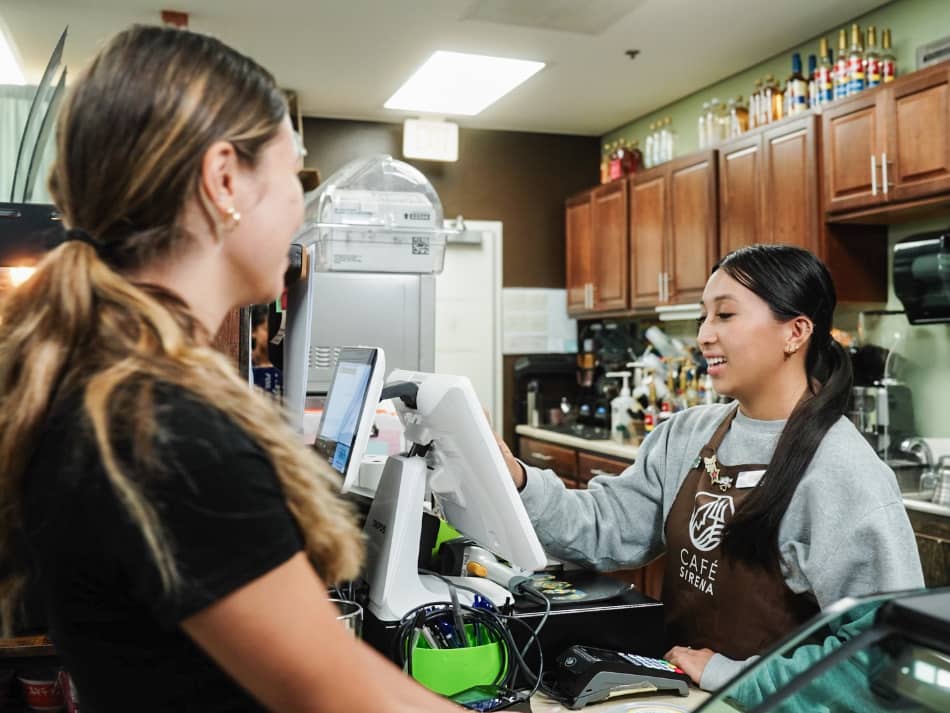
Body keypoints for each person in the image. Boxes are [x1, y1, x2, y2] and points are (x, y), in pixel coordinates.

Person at [0, 25, 459, 713]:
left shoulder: (111, 392)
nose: (301, 208)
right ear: (223, 181)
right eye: (293, 173)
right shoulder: (166, 431)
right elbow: (347, 699)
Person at [497, 244, 924, 692]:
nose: (703, 335)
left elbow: (884, 653)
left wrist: (729, 675)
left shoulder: (844, 472)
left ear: (795, 332)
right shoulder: (685, 435)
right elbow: (606, 528)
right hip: (679, 693)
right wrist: (518, 481)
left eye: (724, 315)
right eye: (703, 317)